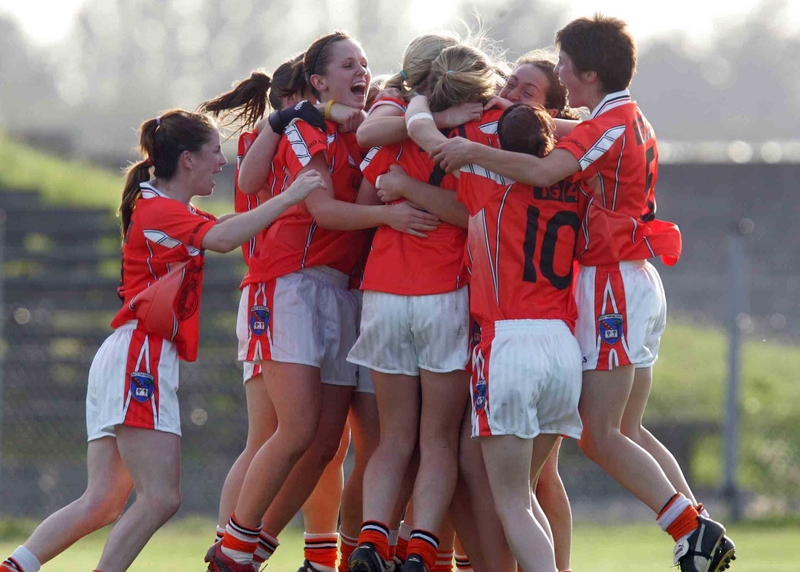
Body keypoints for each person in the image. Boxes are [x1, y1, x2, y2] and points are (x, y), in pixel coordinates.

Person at [430, 15, 735, 572]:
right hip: (627, 280)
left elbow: (547, 171)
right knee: (624, 429)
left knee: (598, 437)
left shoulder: (607, 123)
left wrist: (473, 149)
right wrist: (509, 111)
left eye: (565, 64)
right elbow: (562, 133)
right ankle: (694, 523)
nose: (560, 73)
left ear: (589, 72)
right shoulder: (621, 117)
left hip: (610, 283)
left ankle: (692, 529)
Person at [0, 109, 321, 572]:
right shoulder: (158, 209)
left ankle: (16, 566)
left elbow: (223, 225)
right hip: (140, 355)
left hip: (128, 353)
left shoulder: (167, 208)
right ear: (187, 159)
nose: (220, 163)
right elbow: (225, 237)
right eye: (214, 154)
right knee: (161, 497)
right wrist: (292, 196)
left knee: (104, 502)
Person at [208, 31, 440, 572]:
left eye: (366, 62)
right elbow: (319, 210)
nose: (362, 71)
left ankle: (263, 549)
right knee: (286, 432)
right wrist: (389, 211)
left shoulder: (351, 133)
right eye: (348, 64)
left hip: (339, 292)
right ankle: (234, 546)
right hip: (286, 285)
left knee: (323, 444)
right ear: (315, 84)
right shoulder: (300, 126)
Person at [347, 43, 501, 572]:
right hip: (443, 295)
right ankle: (420, 548)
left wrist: (399, 200)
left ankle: (370, 541)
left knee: (393, 438)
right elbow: (469, 215)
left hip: (384, 293)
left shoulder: (396, 129)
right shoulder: (475, 138)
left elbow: (365, 207)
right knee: (436, 438)